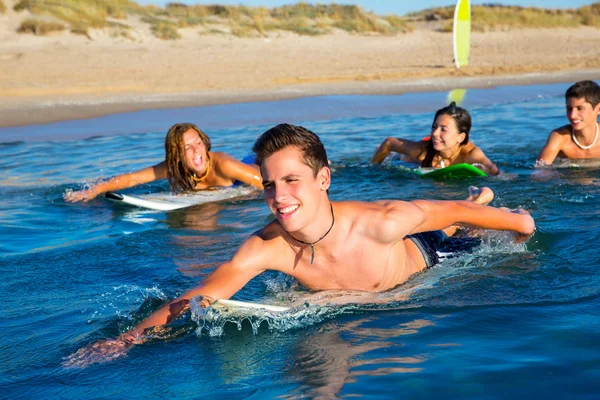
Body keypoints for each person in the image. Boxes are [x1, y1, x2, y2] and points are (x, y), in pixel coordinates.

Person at [66, 123, 534, 366]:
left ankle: (483, 191)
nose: (278, 197)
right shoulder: (266, 247)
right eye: (270, 184)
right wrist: (124, 340)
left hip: (429, 257)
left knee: (462, 225)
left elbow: (461, 215)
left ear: (323, 179)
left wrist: (518, 223)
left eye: (292, 180)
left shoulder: (385, 221)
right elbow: (198, 297)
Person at [64, 123, 263, 202]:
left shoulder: (224, 165)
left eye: (198, 143)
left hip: (254, 169)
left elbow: (264, 183)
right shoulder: (174, 168)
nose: (197, 151)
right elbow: (133, 179)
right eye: (187, 148)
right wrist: (95, 190)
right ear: (176, 155)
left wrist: (249, 195)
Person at [370, 102, 499, 175]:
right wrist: (374, 167)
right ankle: (396, 156)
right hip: (425, 152)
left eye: (443, 129)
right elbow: (389, 142)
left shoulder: (471, 154)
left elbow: (496, 173)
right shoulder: (422, 152)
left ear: (461, 137)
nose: (435, 133)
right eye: (434, 127)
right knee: (407, 159)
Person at [536, 80, 600, 166]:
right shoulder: (560, 138)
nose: (572, 115)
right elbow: (539, 172)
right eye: (569, 109)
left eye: (580, 108)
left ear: (598, 109)